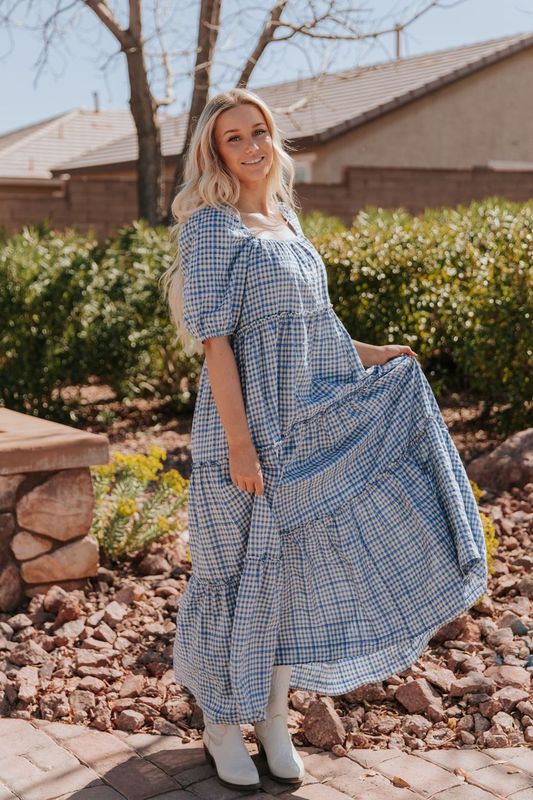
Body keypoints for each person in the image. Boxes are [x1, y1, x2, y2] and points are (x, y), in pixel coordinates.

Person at [161, 87, 488, 792]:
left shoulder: (284, 222)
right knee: (231, 573)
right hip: (243, 431)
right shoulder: (211, 228)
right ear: (213, 153)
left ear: (274, 141)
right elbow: (217, 345)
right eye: (233, 139)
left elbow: (319, 332)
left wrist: (378, 355)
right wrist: (241, 446)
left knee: (290, 577)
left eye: (259, 133)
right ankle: (221, 724)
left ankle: (272, 718)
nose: (251, 147)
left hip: (305, 424)